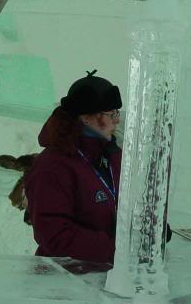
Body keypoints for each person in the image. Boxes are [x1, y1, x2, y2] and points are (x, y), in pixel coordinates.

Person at [23, 70, 123, 263]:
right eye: (111, 114)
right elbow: (54, 235)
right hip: (65, 280)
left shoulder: (112, 155)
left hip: (107, 273)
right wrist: (118, 249)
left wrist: (148, 234)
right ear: (86, 117)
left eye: (117, 112)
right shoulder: (52, 166)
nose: (117, 120)